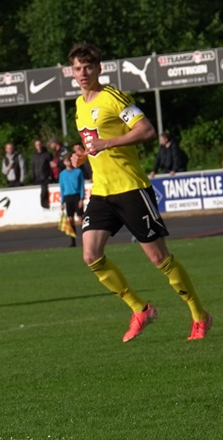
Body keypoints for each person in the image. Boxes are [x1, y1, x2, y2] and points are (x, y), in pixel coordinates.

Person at [68, 42, 210, 341]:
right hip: (102, 192)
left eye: (88, 67)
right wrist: (81, 156)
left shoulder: (114, 97)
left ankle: (199, 315)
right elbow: (94, 144)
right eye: (78, 68)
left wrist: (107, 143)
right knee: (91, 255)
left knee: (159, 259)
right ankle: (140, 309)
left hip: (131, 188)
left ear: (99, 68)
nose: (83, 73)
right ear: (72, 71)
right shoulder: (79, 105)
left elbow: (146, 130)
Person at [58, 154, 85, 246]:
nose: (68, 163)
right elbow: (62, 188)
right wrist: (62, 202)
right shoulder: (62, 174)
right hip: (68, 197)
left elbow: (81, 186)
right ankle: (73, 241)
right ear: (64, 162)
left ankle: (85, 239)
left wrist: (81, 198)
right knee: (70, 219)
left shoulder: (78, 172)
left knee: (81, 219)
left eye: (69, 160)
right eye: (66, 161)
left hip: (76, 196)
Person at [30, 138, 53, 209]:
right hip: (36, 178)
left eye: (39, 144)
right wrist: (33, 177)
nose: (38, 146)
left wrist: (50, 176)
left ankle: (45, 204)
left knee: (44, 191)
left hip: (45, 178)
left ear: (42, 145)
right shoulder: (34, 156)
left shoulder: (47, 154)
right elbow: (33, 167)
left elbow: (51, 166)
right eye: (37, 145)